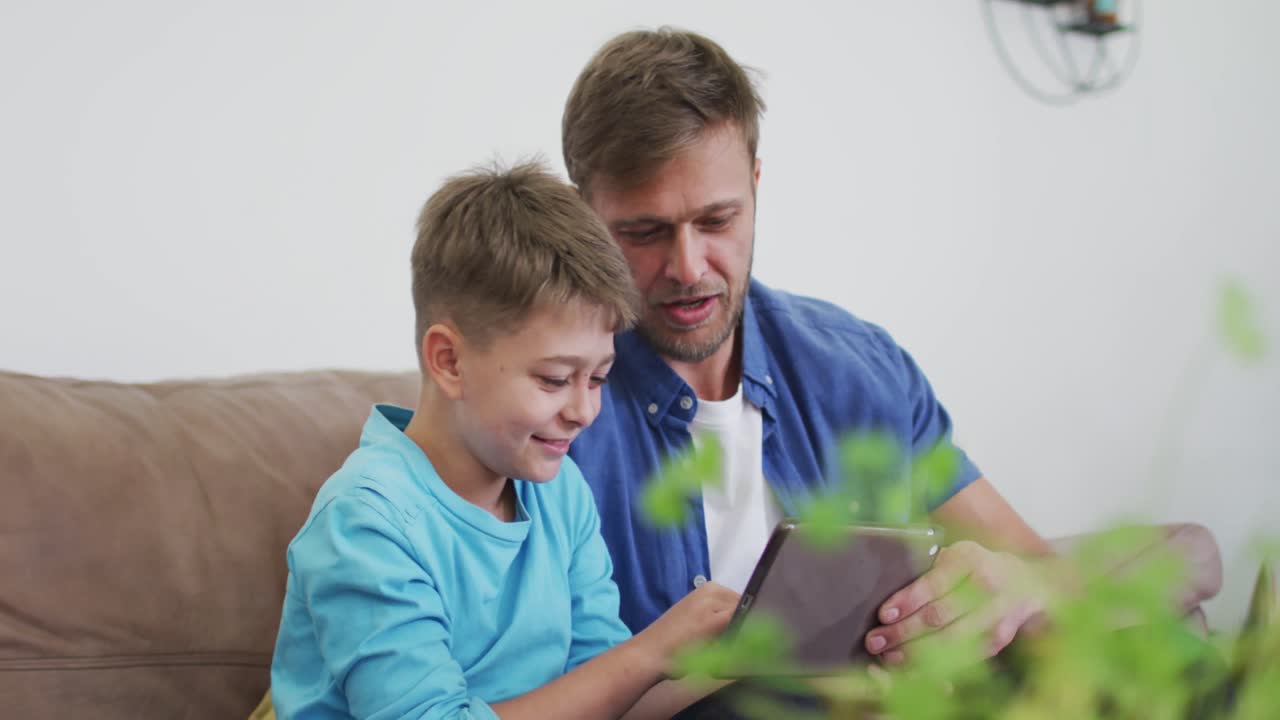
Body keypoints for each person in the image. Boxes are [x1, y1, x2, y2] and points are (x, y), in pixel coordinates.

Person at [562, 27, 1077, 672]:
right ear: (583, 215)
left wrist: (1008, 588)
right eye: (645, 232)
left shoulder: (858, 370)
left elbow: (1045, 575)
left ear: (755, 184)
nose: (688, 267)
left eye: (717, 221)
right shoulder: (551, 411)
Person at [270, 161, 739, 720]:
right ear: (449, 361)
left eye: (598, 378)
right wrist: (647, 652)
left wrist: (737, 660)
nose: (584, 410)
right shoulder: (367, 523)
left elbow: (610, 696)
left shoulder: (560, 491)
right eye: (554, 380)